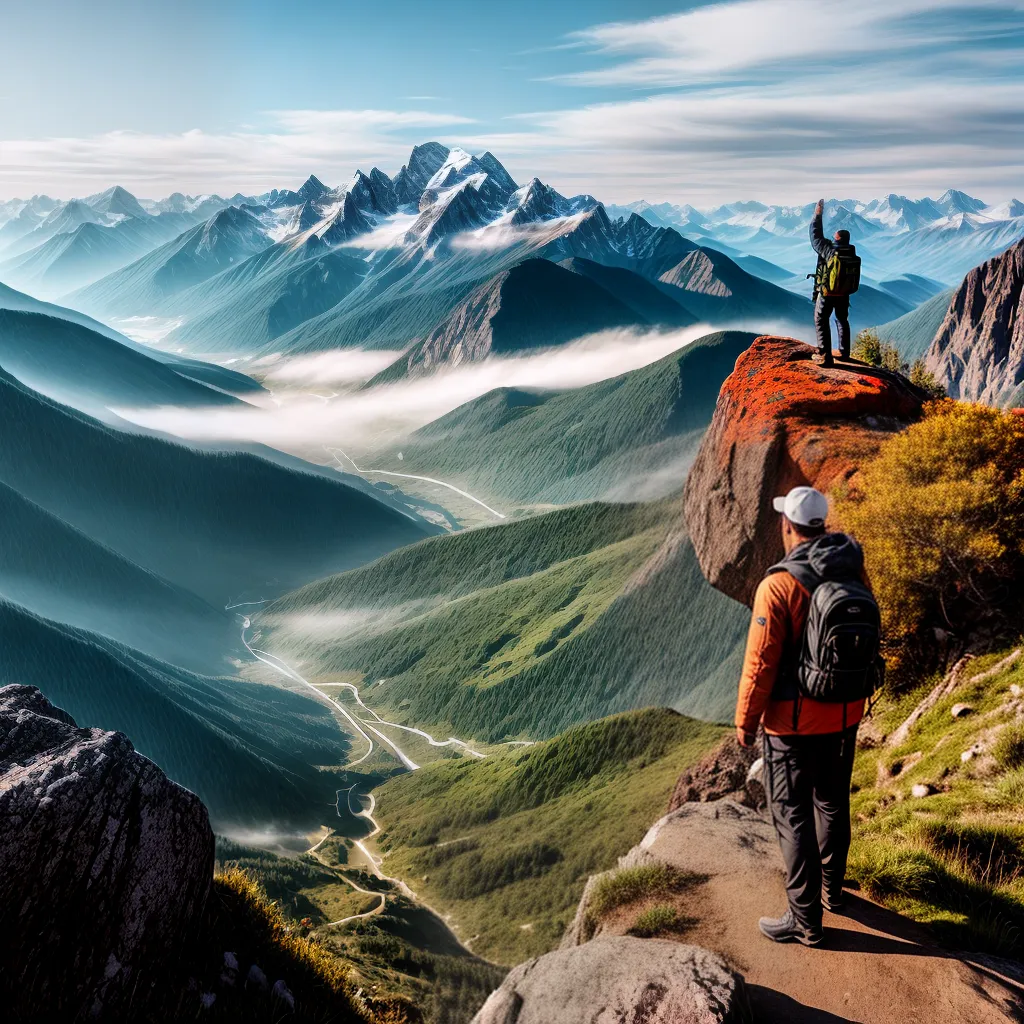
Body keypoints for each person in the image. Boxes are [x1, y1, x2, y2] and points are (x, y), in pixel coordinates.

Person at [735, 485, 878, 947]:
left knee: (792, 815)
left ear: (786, 525)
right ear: (822, 524)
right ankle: (834, 892)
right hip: (845, 715)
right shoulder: (853, 569)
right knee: (833, 802)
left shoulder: (778, 586)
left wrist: (745, 721)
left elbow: (760, 664)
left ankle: (805, 921)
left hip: (792, 727)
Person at [809, 199, 857, 366]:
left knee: (821, 318)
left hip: (828, 292)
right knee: (842, 319)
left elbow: (815, 237)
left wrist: (818, 215)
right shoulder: (851, 252)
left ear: (836, 238)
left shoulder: (829, 249)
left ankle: (825, 355)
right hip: (844, 293)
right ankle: (844, 352)